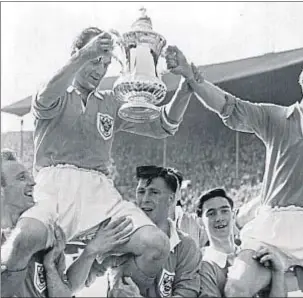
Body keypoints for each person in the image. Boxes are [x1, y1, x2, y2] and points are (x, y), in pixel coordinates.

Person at [165, 46, 303, 297]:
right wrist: (192, 78)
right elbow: (229, 107)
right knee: (236, 288)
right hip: (273, 225)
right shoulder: (276, 118)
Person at [1, 27, 193, 292]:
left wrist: (186, 88)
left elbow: (163, 125)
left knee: (156, 245)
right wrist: (83, 55)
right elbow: (44, 98)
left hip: (99, 195)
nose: (99, 69)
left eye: (105, 63)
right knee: (25, 238)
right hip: (55, 191)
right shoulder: (56, 95)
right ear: (76, 55)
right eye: (94, 60)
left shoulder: (111, 103)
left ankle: (117, 288)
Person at [0, 149, 134, 297]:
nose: (32, 182)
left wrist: (51, 267)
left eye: (29, 176)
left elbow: (64, 293)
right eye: (21, 178)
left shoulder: (46, 234)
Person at [106, 165, 202, 297]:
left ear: (171, 199)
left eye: (154, 192)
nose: (145, 199)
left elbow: (187, 293)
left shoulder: (186, 247)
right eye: (141, 191)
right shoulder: (122, 236)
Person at [197, 188, 300, 297]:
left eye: (224, 211)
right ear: (200, 221)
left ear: (233, 215)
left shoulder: (255, 254)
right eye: (211, 214)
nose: (219, 218)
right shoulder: (205, 267)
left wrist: (277, 272)